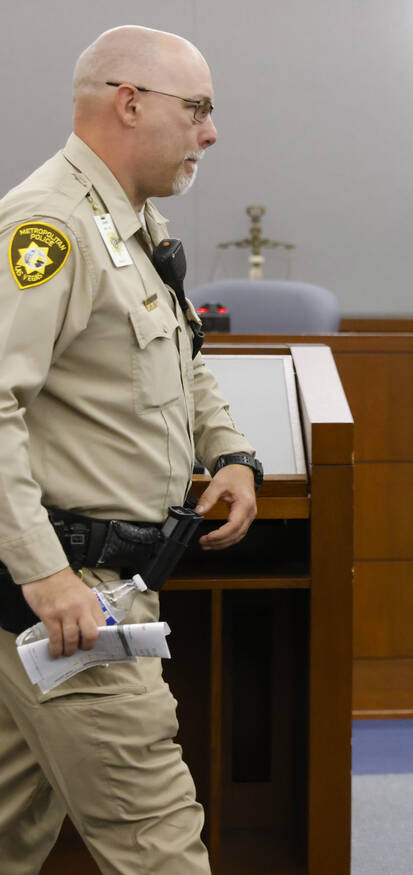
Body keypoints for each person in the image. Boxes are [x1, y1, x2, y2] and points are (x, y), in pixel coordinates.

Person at [0, 25, 260, 873]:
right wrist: (47, 576)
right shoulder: (52, 227)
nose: (210, 132)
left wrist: (230, 452)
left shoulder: (129, 219)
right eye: (199, 109)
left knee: (11, 828)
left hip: (85, 586)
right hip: (71, 602)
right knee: (161, 849)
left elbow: (178, 359)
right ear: (129, 102)